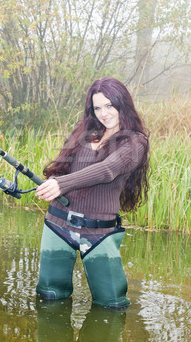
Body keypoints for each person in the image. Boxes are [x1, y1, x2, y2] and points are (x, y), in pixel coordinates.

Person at [35, 77, 149, 309]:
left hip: (99, 232)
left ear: (122, 104)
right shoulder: (84, 134)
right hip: (57, 224)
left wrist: (62, 184)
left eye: (109, 105)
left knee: (112, 304)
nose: (103, 113)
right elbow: (62, 169)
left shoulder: (135, 142)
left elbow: (107, 170)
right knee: (49, 296)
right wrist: (53, 182)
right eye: (97, 108)